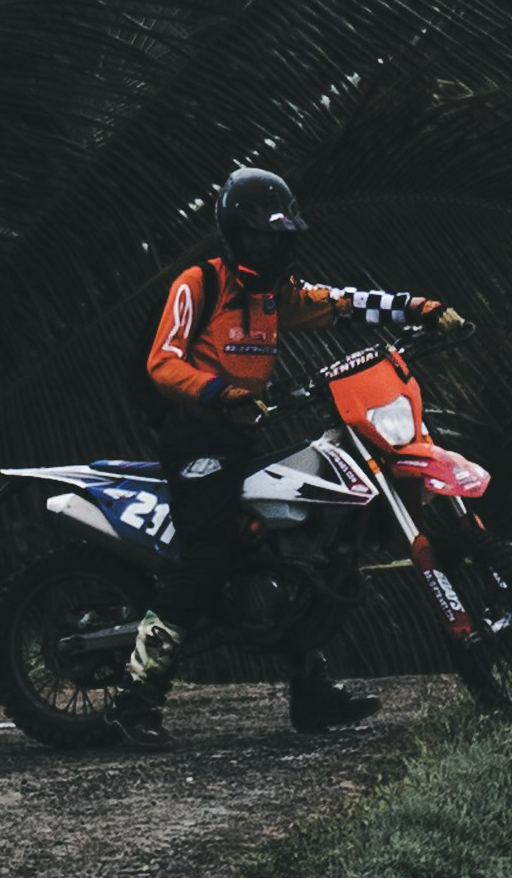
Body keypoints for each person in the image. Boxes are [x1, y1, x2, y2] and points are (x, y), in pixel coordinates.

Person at [139, 157, 459, 733]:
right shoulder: (200, 283)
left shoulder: (276, 297)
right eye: (254, 237)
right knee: (206, 562)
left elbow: (343, 303)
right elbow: (161, 363)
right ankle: (136, 699)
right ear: (233, 235)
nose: (263, 249)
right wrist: (221, 394)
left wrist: (419, 307)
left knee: (294, 550)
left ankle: (310, 690)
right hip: (196, 440)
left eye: (274, 239)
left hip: (244, 434)